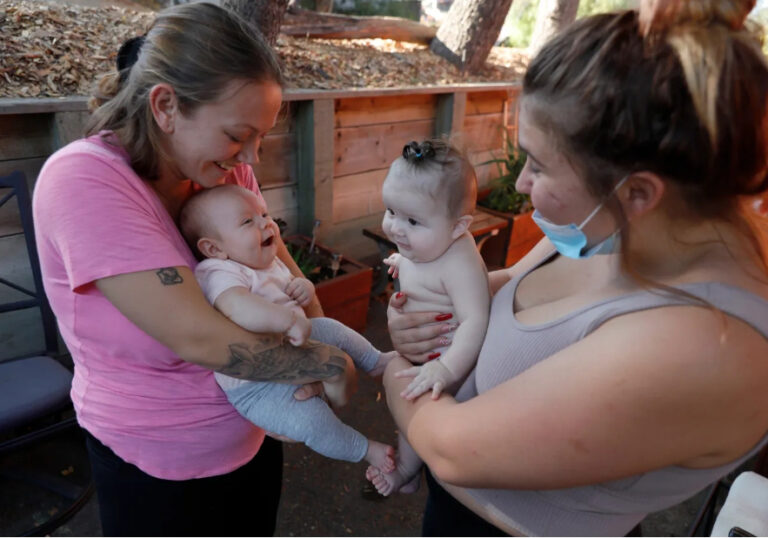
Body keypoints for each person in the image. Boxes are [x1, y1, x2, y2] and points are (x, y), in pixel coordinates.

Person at [380, 1, 768, 536]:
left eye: (537, 165)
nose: (520, 186)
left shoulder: (708, 343)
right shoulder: (619, 227)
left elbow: (451, 450)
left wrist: (390, 369)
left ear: (637, 191)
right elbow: (510, 289)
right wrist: (427, 309)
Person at [32, 4, 354, 536]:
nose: (250, 155)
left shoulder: (221, 173)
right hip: (157, 471)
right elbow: (201, 338)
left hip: (255, 434)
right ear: (165, 106)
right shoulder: (85, 182)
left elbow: (284, 272)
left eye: (260, 136)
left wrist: (316, 336)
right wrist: (328, 364)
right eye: (237, 134)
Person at [178, 183, 397, 469]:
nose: (266, 223)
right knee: (312, 422)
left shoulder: (264, 261)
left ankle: (376, 361)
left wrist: (303, 287)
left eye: (264, 214)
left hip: (294, 341)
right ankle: (365, 449)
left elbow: (290, 286)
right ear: (213, 248)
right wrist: (287, 319)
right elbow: (237, 305)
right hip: (257, 386)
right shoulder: (218, 271)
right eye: (248, 221)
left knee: (332, 328)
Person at [365, 139, 490, 496]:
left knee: (416, 410)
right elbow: (421, 261)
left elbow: (475, 321)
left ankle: (405, 469)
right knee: (406, 402)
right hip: (424, 356)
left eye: (412, 221)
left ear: (457, 227)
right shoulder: (427, 246)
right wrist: (401, 260)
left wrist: (447, 369)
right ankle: (413, 463)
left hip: (450, 364)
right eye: (391, 211)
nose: (395, 228)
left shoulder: (459, 262)